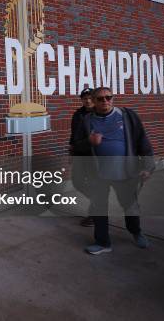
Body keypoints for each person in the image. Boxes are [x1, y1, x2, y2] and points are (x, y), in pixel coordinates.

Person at [72, 87, 154, 255]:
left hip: (125, 173)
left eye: (108, 97)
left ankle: (136, 232)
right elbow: (76, 146)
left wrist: (147, 167)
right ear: (93, 101)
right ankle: (103, 243)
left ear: (113, 98)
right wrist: (89, 141)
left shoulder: (127, 116)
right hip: (98, 175)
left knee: (130, 206)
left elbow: (142, 142)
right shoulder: (86, 121)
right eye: (100, 99)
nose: (105, 101)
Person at [69, 87, 94, 227]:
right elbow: (73, 135)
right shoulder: (78, 114)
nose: (88, 100)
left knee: (93, 182)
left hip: (94, 157)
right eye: (85, 98)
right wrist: (71, 152)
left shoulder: (100, 113)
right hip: (79, 155)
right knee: (77, 181)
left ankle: (94, 214)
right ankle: (98, 201)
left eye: (90, 98)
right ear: (82, 100)